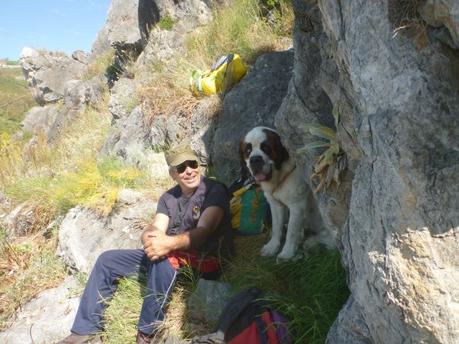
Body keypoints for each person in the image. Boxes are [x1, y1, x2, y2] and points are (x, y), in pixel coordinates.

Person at [60, 144, 233, 344]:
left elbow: (204, 232)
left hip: (205, 259)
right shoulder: (169, 197)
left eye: (192, 163)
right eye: (181, 167)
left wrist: (167, 243)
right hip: (172, 256)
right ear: (173, 174)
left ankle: (148, 333)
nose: (189, 170)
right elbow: (155, 227)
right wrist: (150, 240)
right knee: (107, 260)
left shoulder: (214, 190)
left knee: (165, 258)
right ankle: (84, 331)